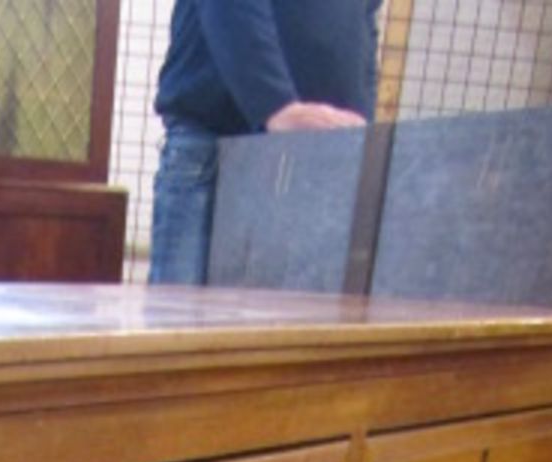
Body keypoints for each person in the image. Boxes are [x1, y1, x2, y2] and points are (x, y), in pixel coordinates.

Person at [149, 0, 383, 284]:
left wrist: (360, 123)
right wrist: (275, 105)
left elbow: (363, 27)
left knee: (298, 319)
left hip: (323, 152)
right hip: (217, 139)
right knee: (183, 316)